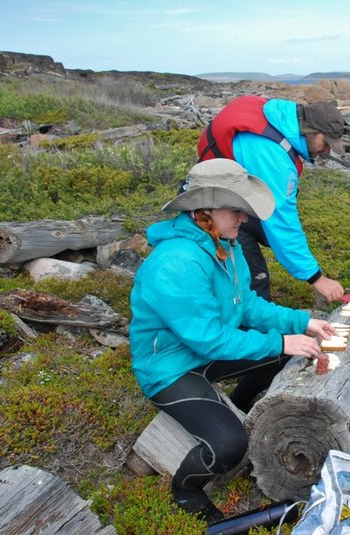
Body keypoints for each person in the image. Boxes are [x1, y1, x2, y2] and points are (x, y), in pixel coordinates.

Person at [129, 158, 336, 522]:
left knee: (281, 355)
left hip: (203, 351)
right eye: (236, 210)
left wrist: (303, 322)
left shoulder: (225, 244)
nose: (244, 219)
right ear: (203, 209)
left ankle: (238, 404)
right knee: (229, 445)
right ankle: (186, 490)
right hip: (170, 368)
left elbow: (249, 306)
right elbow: (209, 340)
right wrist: (280, 342)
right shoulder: (176, 262)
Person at [196, 95, 346, 302]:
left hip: (234, 200)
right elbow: (281, 221)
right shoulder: (271, 154)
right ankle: (249, 330)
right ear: (309, 130)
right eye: (325, 142)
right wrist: (317, 279)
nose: (327, 150)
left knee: (269, 240)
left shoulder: (281, 118)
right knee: (254, 281)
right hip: (211, 208)